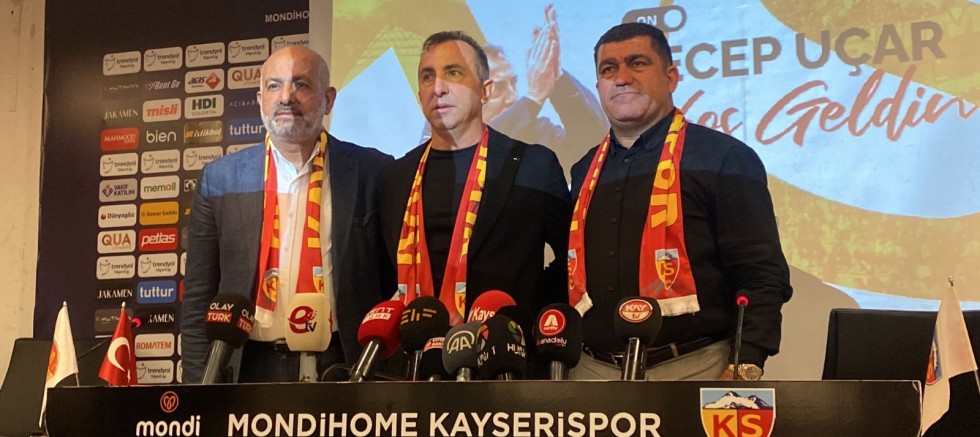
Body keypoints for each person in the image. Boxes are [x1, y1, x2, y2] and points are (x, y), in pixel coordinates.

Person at [567, 22, 792, 381]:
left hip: (696, 368)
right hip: (591, 371)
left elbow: (760, 270)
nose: (621, 78)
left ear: (671, 77)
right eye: (608, 69)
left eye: (637, 63)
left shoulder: (724, 157)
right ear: (598, 87)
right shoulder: (584, 170)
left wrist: (747, 362)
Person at [180, 46, 393, 383]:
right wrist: (198, 389)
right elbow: (198, 298)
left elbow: (392, 284)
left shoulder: (374, 172)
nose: (286, 97)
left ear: (328, 100)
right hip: (249, 367)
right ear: (259, 99)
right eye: (274, 86)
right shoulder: (220, 179)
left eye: (301, 85)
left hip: (343, 366)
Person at [379, 31, 570, 331]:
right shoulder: (397, 176)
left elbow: (571, 259)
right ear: (419, 95)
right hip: (415, 348)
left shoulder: (534, 166)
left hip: (504, 348)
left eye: (453, 73)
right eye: (427, 77)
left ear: (485, 90)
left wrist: (530, 311)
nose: (438, 88)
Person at [482, 4, 608, 168]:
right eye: (498, 88)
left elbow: (594, 143)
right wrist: (534, 98)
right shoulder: (459, 142)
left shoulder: (538, 132)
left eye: (513, 83)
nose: (512, 98)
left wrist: (557, 79)